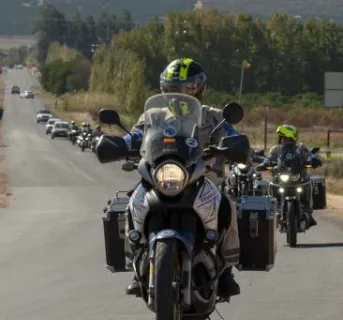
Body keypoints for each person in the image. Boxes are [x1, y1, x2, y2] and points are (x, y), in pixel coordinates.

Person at [121, 58, 242, 299]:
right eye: (172, 89)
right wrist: (120, 144)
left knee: (228, 205)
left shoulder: (214, 117)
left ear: (199, 89)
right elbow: (134, 136)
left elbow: (232, 135)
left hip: (204, 178)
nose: (178, 95)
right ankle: (137, 264)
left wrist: (237, 145)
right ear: (163, 90)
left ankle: (226, 270)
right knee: (132, 202)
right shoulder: (153, 116)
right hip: (161, 177)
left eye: (186, 89)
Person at [257, 124, 321, 228]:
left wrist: (314, 159)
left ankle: (308, 210)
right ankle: (272, 208)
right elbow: (269, 158)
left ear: (291, 138)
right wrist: (264, 164)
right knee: (269, 183)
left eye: (285, 138)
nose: (282, 140)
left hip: (299, 177)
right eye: (282, 138)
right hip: (280, 178)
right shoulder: (276, 149)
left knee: (309, 183)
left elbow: (309, 155)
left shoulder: (301, 147)